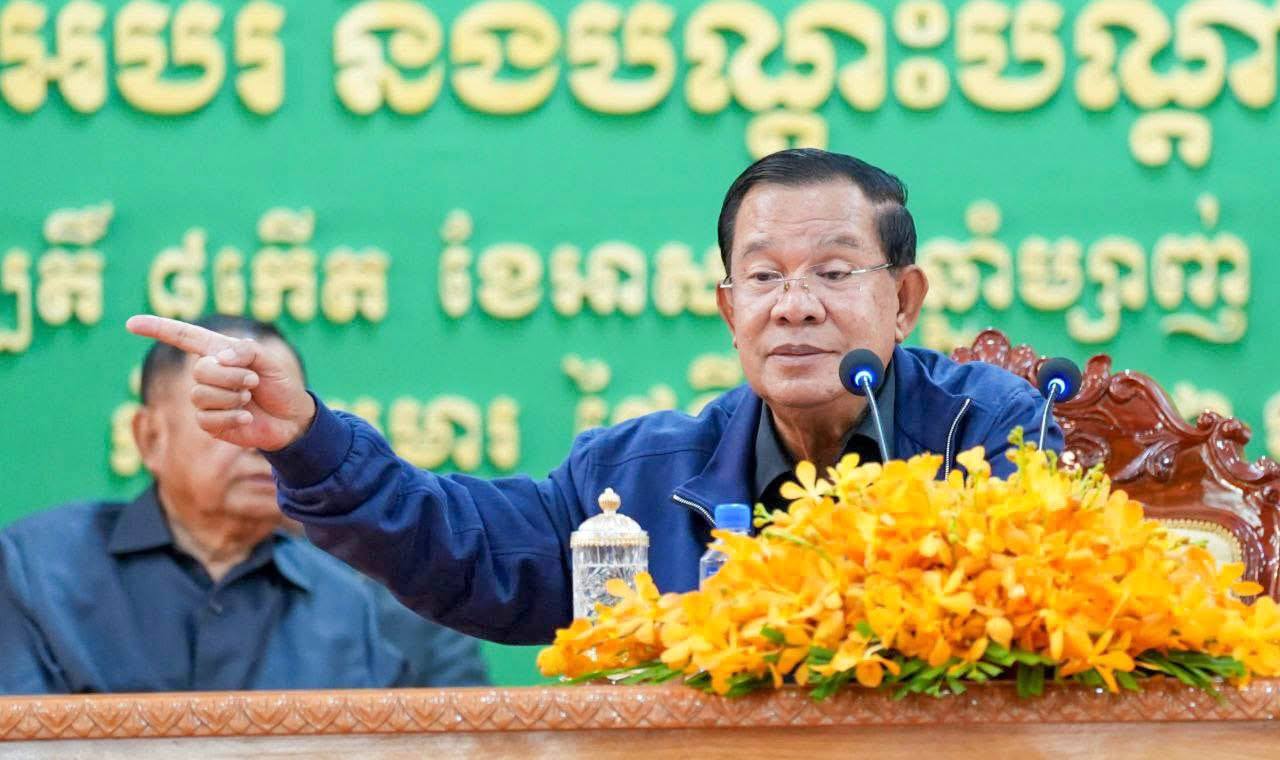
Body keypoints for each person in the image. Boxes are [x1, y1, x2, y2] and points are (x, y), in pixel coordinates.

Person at [126, 149, 1063, 647]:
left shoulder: (986, 430)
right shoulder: (637, 476)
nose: (796, 306)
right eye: (764, 276)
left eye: (833, 270)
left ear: (904, 301)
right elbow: (461, 543)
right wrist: (307, 436)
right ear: (731, 311)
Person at [0, 315, 487, 694]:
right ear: (149, 437)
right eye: (231, 411)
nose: (261, 442)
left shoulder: (348, 600)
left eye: (276, 416)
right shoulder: (38, 570)